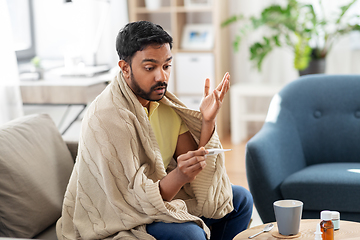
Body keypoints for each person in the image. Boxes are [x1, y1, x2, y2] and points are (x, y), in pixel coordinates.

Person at [56, 20, 253, 240]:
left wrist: (207, 121)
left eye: (167, 66)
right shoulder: (106, 118)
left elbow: (191, 166)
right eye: (150, 68)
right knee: (190, 235)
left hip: (160, 199)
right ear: (125, 68)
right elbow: (130, 202)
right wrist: (178, 175)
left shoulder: (164, 104)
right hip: (123, 216)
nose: (162, 77)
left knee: (241, 200)